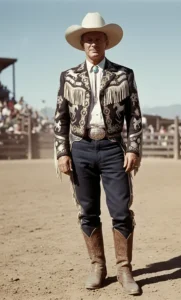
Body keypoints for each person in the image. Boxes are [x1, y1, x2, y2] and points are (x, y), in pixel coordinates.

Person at [53, 12, 143, 295]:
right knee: (87, 211)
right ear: (82, 44)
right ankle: (97, 267)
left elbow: (135, 116)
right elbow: (60, 118)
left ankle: (124, 269)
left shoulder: (123, 74)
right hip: (79, 149)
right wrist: (61, 152)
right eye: (88, 39)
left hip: (113, 149)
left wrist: (133, 148)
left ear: (107, 42)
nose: (93, 43)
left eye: (98, 39)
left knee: (120, 211)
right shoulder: (68, 77)